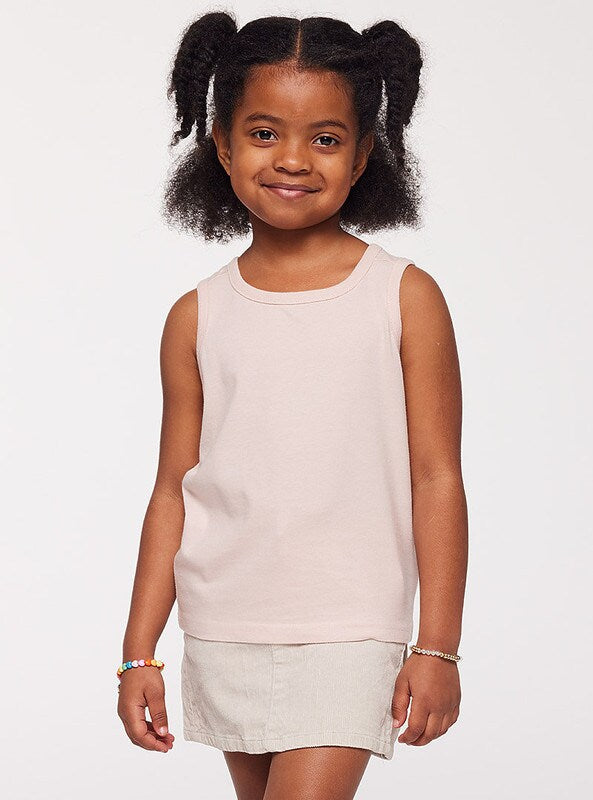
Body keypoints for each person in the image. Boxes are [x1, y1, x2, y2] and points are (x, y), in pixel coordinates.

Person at [117, 10, 468, 799]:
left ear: (363, 154)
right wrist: (139, 652)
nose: (293, 159)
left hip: (350, 627)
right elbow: (174, 489)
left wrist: (437, 646)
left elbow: (436, 477)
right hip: (225, 623)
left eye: (326, 138)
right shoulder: (196, 315)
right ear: (222, 143)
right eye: (265, 132)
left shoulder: (402, 296)